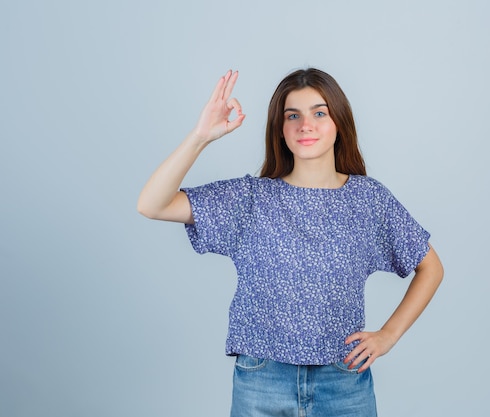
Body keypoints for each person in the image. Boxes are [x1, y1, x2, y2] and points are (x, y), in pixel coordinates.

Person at [137, 68, 444, 416]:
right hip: (262, 380)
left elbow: (430, 267)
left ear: (338, 122)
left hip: (343, 381)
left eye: (319, 112)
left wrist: (388, 335)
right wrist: (200, 136)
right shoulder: (251, 199)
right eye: (292, 115)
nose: (305, 124)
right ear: (280, 130)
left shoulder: (367, 199)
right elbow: (152, 204)